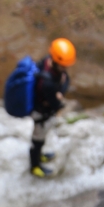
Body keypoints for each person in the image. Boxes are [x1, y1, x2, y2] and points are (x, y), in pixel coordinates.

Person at [29, 38, 76, 178]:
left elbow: (65, 78)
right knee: (37, 140)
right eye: (63, 65)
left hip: (39, 108)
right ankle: (35, 166)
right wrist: (60, 95)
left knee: (40, 139)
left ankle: (39, 156)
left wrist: (61, 87)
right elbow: (56, 103)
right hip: (41, 114)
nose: (65, 68)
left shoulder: (46, 61)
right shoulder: (48, 83)